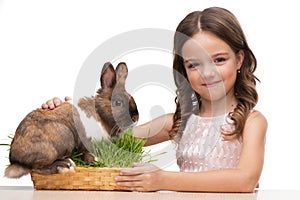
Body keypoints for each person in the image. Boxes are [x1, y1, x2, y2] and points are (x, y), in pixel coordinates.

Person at [42, 7, 267, 192]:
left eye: (219, 60)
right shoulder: (177, 123)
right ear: (184, 70)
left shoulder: (251, 122)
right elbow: (107, 140)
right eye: (194, 64)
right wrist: (69, 116)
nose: (208, 73)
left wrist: (162, 179)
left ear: (239, 60)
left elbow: (244, 180)